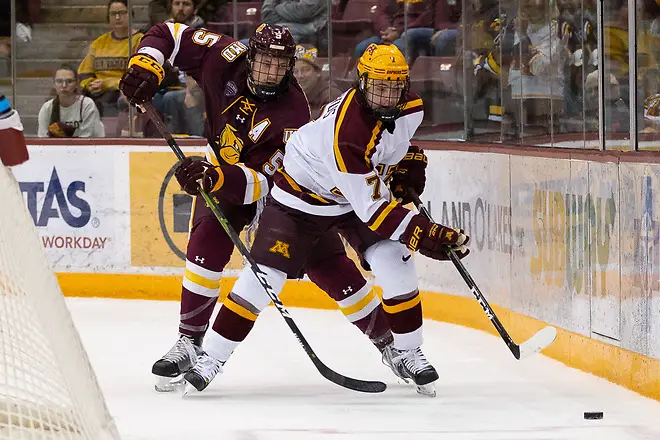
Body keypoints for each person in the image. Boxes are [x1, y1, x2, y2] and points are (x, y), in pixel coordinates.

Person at [176, 43, 470, 397]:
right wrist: (425, 234)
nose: (387, 96)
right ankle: (211, 357)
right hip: (299, 198)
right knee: (264, 275)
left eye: (394, 87)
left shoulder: (412, 108)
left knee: (393, 258)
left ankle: (408, 351)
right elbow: (374, 210)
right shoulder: (347, 134)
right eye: (378, 86)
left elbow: (389, 148)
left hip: (350, 192)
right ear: (362, 82)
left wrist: (405, 163)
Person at [119, 24, 397, 391]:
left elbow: (264, 183)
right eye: (265, 62)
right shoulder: (223, 56)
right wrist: (147, 62)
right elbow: (167, 33)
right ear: (250, 56)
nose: (271, 72)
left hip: (283, 192)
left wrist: (215, 179)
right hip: (222, 168)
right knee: (205, 245)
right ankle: (189, 341)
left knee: (328, 264)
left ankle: (390, 345)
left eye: (280, 65)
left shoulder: (292, 115)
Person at [78, 0, 143, 117]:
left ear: (131, 14)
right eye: (113, 14)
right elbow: (84, 72)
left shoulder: (140, 40)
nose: (117, 17)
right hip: (97, 92)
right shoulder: (100, 42)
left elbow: (138, 76)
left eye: (122, 13)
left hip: (122, 93)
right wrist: (91, 84)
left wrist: (107, 84)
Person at [37, 65, 105, 138]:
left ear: (77, 83)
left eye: (69, 81)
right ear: (54, 84)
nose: (64, 85)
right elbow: (43, 139)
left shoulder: (87, 104)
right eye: (59, 81)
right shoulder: (47, 108)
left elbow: (87, 139)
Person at [293, 45, 342, 118]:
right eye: (295, 71)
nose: (300, 75)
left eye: (306, 70)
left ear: (318, 72)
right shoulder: (291, 92)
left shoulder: (330, 95)